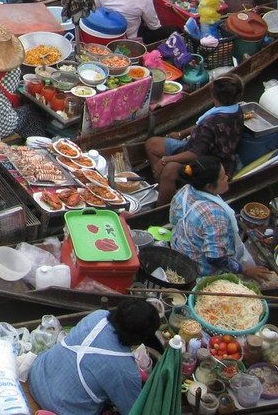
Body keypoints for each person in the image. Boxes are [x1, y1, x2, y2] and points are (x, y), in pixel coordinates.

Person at [29, 299, 162, 415]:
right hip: (61, 408)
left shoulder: (98, 316)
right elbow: (133, 410)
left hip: (36, 375)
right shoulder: (126, 371)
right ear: (140, 338)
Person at [145, 76, 245, 206]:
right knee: (152, 144)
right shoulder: (235, 109)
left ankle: (161, 207)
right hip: (194, 146)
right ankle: (163, 187)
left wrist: (165, 160)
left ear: (214, 95)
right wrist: (181, 134)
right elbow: (200, 127)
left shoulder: (213, 122)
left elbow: (195, 154)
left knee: (170, 169)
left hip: (210, 164)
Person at [170, 156, 270, 281]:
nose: (227, 178)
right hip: (199, 270)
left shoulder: (184, 191)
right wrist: (245, 269)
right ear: (209, 187)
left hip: (178, 254)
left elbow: (173, 221)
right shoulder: (215, 215)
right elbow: (215, 258)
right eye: (222, 177)